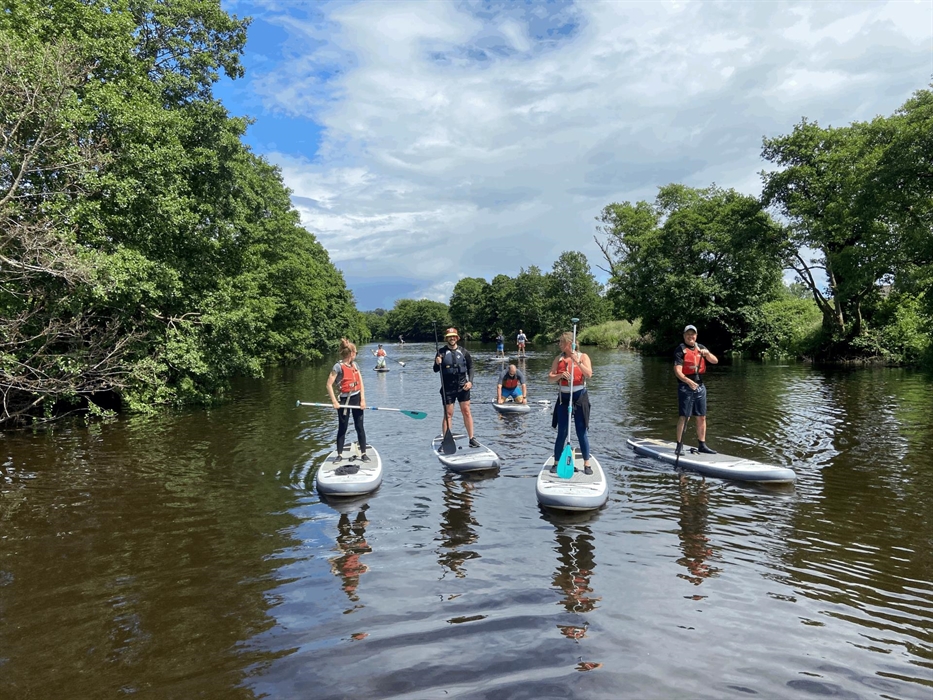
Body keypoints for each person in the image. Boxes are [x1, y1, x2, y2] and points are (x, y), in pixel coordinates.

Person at [548, 332, 593, 474]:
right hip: (563, 398)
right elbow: (550, 378)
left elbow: (589, 374)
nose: (559, 345)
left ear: (569, 343)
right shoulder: (558, 358)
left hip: (580, 398)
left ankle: (587, 464)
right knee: (562, 432)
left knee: (581, 431)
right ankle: (556, 462)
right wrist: (560, 375)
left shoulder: (583, 357)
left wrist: (576, 361)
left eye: (561, 342)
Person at [674, 324, 719, 455]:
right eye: (688, 334)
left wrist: (707, 354)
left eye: (692, 334)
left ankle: (702, 445)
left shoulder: (701, 348)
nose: (690, 336)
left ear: (696, 336)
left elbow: (715, 361)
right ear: (684, 336)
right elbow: (677, 372)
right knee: (685, 417)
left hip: (700, 387)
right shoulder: (679, 350)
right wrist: (688, 381)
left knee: (701, 417)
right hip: (685, 386)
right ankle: (679, 445)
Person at [433, 327, 479, 448]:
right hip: (448, 388)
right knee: (448, 414)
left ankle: (471, 439)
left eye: (453, 336)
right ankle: (446, 439)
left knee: (466, 411)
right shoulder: (441, 353)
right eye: (449, 337)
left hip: (463, 386)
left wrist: (470, 382)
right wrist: (438, 362)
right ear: (446, 338)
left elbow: (471, 368)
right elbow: (435, 370)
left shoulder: (464, 352)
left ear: (457, 338)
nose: (452, 338)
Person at [325, 338, 369, 463]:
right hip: (344, 400)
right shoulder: (338, 367)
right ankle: (339, 454)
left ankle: (364, 453)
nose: (356, 355)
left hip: (356, 398)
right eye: (356, 353)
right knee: (342, 427)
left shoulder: (355, 365)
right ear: (352, 354)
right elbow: (328, 384)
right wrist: (334, 401)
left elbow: (361, 383)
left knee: (359, 426)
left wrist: (363, 400)